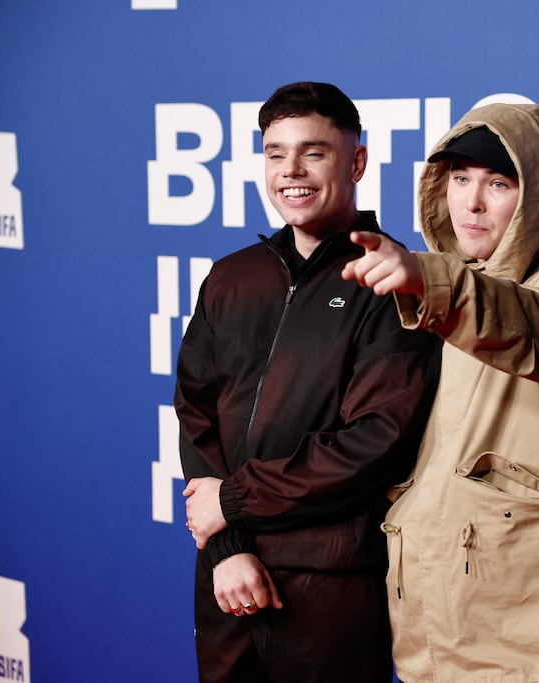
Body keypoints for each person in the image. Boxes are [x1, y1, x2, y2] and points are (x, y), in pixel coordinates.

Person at [175, 81, 439, 683]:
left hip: (330, 585)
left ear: (357, 162)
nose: (290, 170)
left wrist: (233, 502)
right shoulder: (231, 277)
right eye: (275, 153)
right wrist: (226, 546)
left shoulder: (392, 280)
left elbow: (375, 441)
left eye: (313, 152)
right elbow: (195, 412)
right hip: (225, 576)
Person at [342, 102, 539, 682]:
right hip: (432, 632)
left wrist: (429, 280)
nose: (470, 202)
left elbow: (533, 327)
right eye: (460, 178)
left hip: (520, 645)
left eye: (497, 183)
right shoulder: (443, 287)